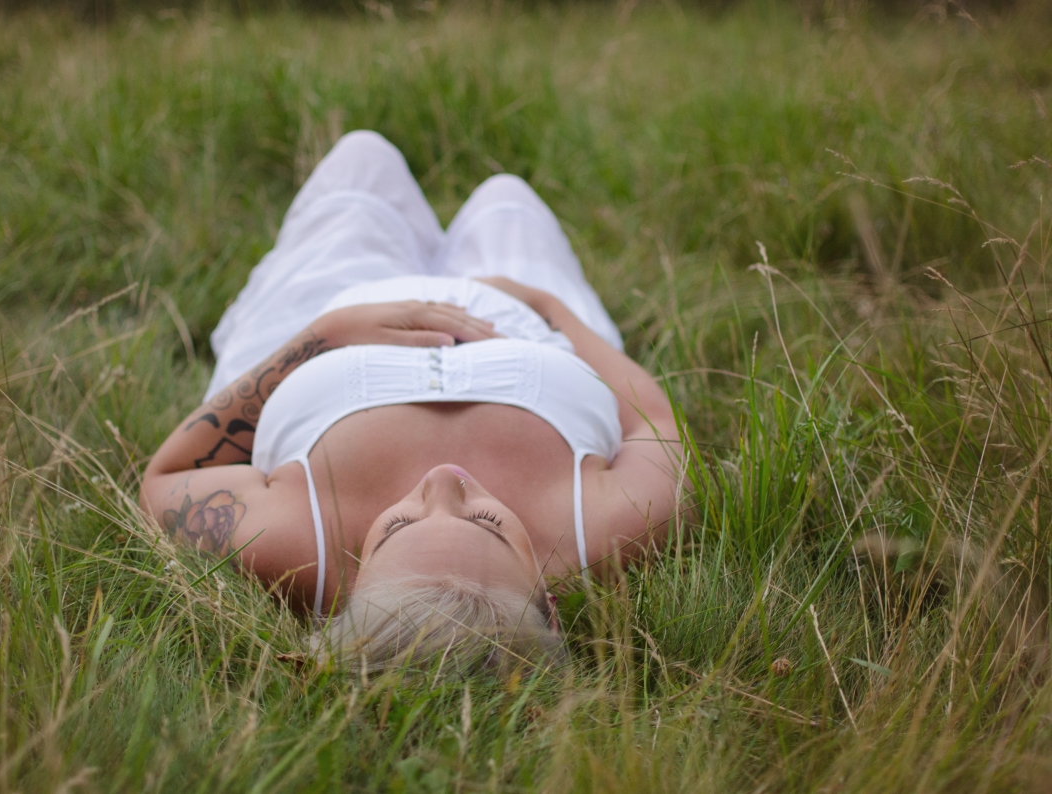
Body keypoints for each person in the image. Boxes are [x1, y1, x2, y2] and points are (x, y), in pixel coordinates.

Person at [140, 131, 683, 673]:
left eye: (396, 527)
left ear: (346, 596)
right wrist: (548, 307)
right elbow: (650, 423)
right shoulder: (609, 529)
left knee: (363, 153)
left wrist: (323, 336)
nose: (443, 480)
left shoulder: (294, 546)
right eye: (489, 524)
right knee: (506, 193)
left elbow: (167, 476)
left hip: (333, 307)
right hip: (524, 314)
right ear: (551, 606)